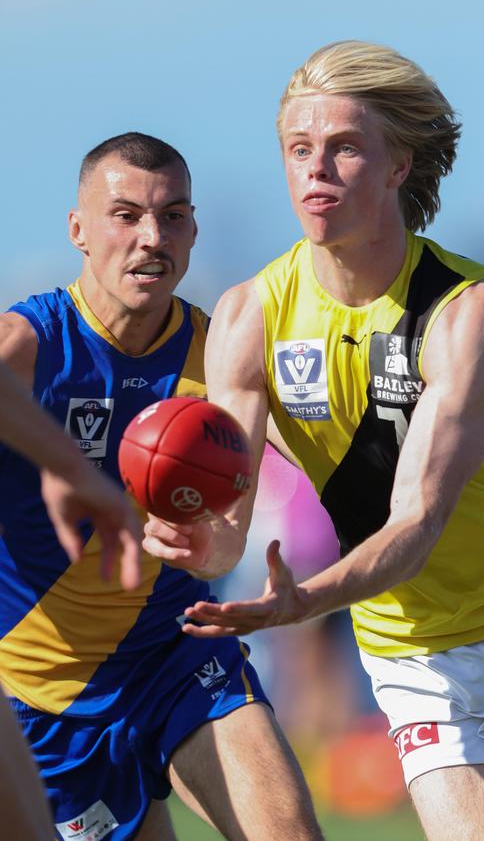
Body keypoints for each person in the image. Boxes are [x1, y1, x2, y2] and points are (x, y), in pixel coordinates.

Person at [143, 43, 484, 840]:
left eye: (345, 147)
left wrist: (305, 601)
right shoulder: (249, 317)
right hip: (412, 653)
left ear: (397, 165)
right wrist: (190, 537)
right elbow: (227, 528)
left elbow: (417, 521)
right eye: (299, 150)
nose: (318, 170)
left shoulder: (467, 311)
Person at [0, 132, 322, 841]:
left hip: (180, 651)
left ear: (193, 230)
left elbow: (241, 523)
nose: (152, 237)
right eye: (126, 215)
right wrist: (69, 467)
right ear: (78, 230)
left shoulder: (220, 350)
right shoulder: (34, 341)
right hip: (48, 692)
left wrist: (208, 548)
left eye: (172, 216)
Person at [0, 357, 142, 841]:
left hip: (165, 651)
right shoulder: (28, 336)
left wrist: (64, 466)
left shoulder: (203, 337)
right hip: (42, 682)